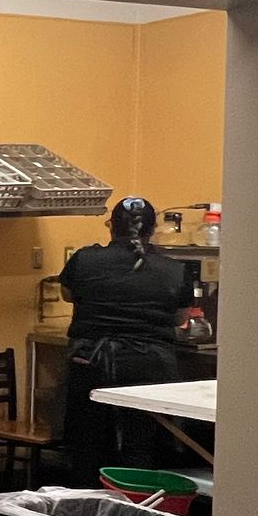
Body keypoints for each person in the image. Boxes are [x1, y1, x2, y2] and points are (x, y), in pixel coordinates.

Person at [60, 195, 193, 484]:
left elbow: (68, 294)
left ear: (111, 226)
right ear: (152, 229)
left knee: (89, 440)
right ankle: (136, 506)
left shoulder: (84, 259)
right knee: (142, 442)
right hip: (150, 365)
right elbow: (178, 317)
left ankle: (86, 509)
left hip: (91, 361)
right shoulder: (175, 270)